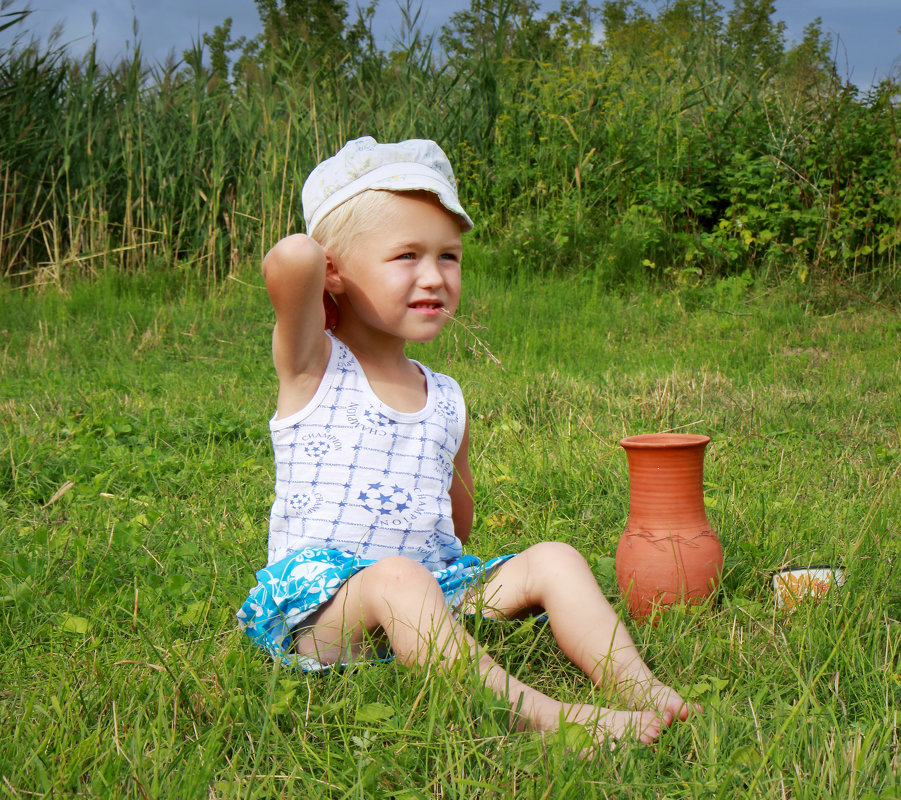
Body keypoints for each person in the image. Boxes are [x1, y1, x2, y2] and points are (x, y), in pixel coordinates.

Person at [237, 137, 691, 745]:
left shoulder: (445, 395)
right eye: (406, 256)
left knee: (553, 556)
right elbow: (289, 259)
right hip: (326, 614)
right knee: (396, 576)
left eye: (448, 256)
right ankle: (545, 718)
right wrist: (320, 264)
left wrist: (448, 565)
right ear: (336, 272)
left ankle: (637, 684)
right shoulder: (314, 366)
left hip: (431, 591)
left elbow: (457, 512)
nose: (434, 276)